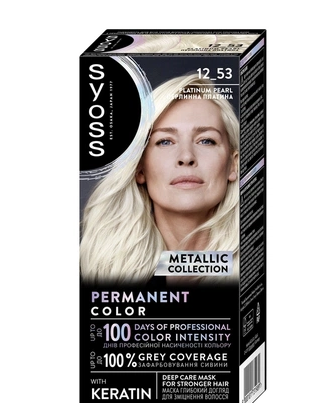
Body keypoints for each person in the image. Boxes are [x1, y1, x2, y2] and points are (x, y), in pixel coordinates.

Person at [80, 73, 239, 283]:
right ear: (139, 167)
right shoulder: (100, 275)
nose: (186, 157)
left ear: (233, 164)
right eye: (165, 141)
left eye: (206, 141)